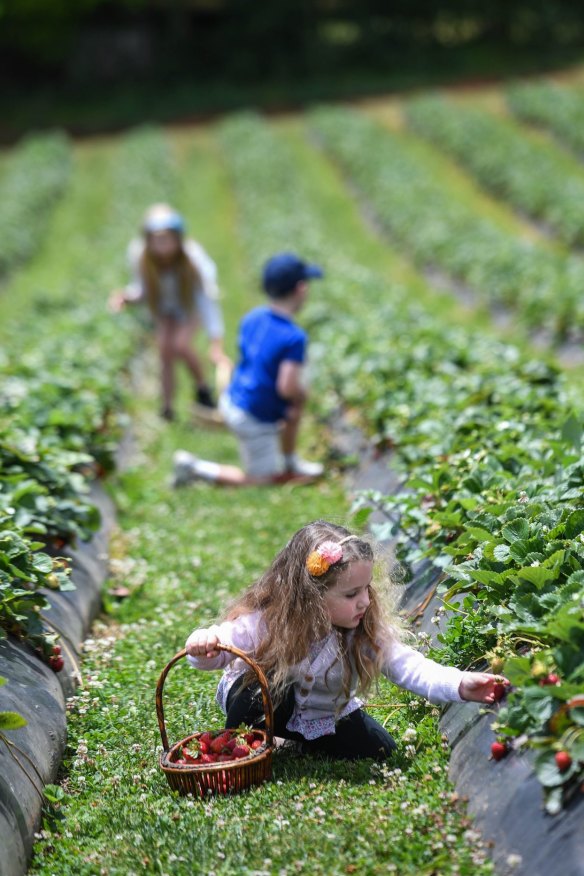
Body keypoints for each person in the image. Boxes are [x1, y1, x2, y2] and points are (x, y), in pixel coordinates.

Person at [186, 520, 509, 760]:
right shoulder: (270, 623)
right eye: (351, 593)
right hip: (265, 704)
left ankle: (297, 739)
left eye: (366, 589)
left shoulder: (362, 631)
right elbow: (221, 646)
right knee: (263, 687)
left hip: (322, 716)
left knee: (379, 749)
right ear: (312, 597)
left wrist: (460, 684)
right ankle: (246, 746)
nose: (364, 601)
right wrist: (205, 643)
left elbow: (408, 666)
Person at [172, 251, 324, 487]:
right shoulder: (294, 337)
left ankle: (290, 461)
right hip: (253, 418)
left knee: (292, 409)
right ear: (301, 289)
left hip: (232, 400)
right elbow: (287, 387)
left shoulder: (253, 318)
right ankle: (194, 468)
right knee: (260, 479)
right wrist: (302, 394)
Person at [109, 203, 228, 421]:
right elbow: (142, 289)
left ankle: (202, 388)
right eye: (156, 239)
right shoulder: (141, 257)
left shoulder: (194, 260)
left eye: (167, 238)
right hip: (164, 307)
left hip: (189, 305)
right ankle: (167, 407)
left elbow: (207, 300)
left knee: (181, 345)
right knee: (164, 350)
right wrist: (125, 298)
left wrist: (215, 341)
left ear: (178, 238)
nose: (161, 244)